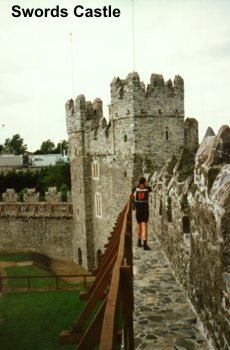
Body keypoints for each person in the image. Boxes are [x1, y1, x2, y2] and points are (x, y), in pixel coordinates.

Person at [131, 176, 152, 250]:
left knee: (139, 226)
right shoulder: (148, 189)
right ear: (143, 182)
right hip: (145, 210)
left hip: (138, 210)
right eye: (145, 182)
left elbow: (130, 197)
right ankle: (145, 244)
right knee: (145, 227)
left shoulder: (134, 189)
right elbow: (151, 190)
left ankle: (139, 242)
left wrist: (134, 204)